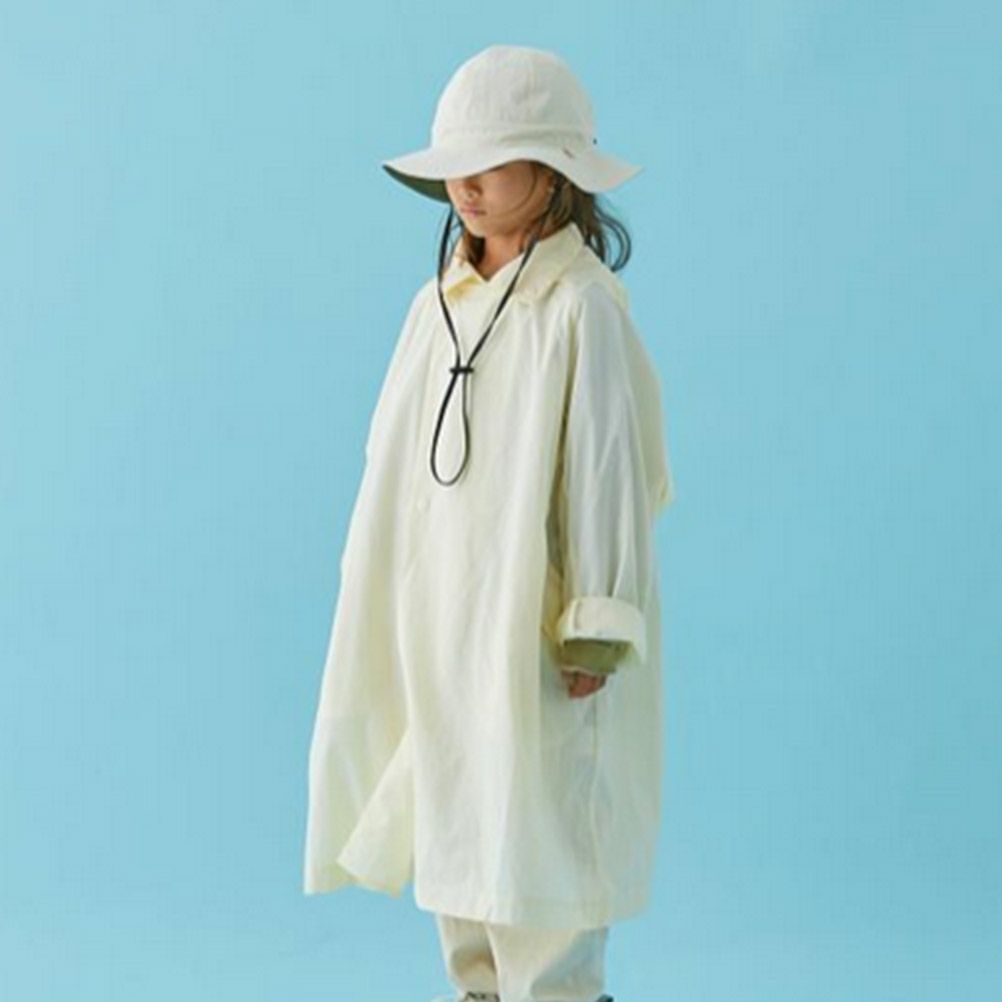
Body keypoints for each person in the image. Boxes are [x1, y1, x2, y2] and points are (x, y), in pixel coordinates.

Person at [303, 45, 676, 1002]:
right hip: (443, 620)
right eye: (454, 166)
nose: (464, 186)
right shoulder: (436, 309)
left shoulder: (580, 310)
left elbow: (607, 470)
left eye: (492, 162)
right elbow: (394, 468)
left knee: (539, 854)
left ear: (555, 172)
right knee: (460, 845)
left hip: (533, 626)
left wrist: (596, 618)